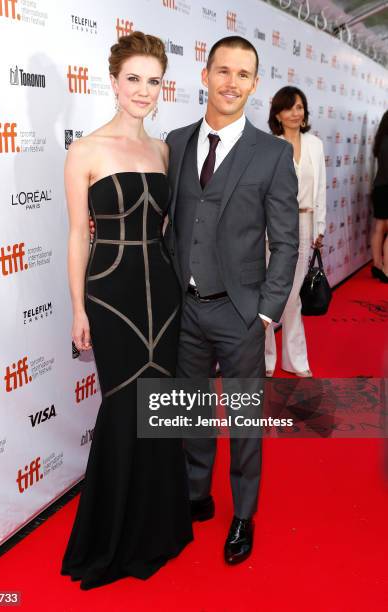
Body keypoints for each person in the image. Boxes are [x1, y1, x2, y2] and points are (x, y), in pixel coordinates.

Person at [61, 32, 193, 590]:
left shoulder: (163, 150)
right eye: (133, 79)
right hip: (110, 298)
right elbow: (76, 237)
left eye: (153, 80)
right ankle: (110, 540)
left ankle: (159, 526)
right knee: (121, 408)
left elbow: (168, 231)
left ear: (163, 86)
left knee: (158, 406)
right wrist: (78, 310)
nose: (143, 90)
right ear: (113, 82)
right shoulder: (85, 151)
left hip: (162, 294)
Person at [164, 37, 299, 564]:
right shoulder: (174, 142)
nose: (231, 82)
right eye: (223, 70)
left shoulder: (272, 154)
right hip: (187, 308)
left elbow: (285, 241)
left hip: (241, 312)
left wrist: (265, 312)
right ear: (205, 74)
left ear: (255, 84)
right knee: (192, 412)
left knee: (244, 420)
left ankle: (243, 513)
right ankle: (198, 492)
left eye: (243, 74)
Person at [264, 86, 326, 378]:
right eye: (288, 107)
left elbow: (321, 189)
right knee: (270, 291)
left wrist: (320, 227)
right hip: (275, 226)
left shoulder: (314, 144)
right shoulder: (270, 145)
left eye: (299, 107)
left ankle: (294, 359)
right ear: (278, 113)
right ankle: (267, 359)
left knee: (291, 295)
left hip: (305, 224)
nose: (295, 112)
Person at [370, 109, 388, 283]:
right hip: (386, 188)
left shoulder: (381, 140)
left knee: (379, 227)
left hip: (380, 188)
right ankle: (386, 270)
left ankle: (377, 266)